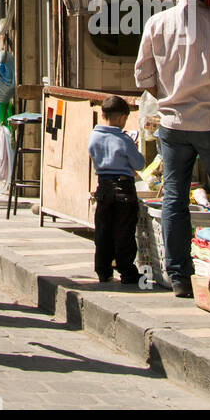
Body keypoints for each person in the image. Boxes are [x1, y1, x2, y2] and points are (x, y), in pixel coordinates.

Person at [135, 0, 210, 298]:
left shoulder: (157, 24)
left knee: (174, 198)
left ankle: (179, 276)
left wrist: (169, 100)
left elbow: (143, 76)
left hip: (173, 124)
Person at [88, 95, 145, 285]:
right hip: (124, 189)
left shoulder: (94, 136)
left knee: (103, 232)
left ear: (103, 115)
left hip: (103, 188)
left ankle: (103, 271)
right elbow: (139, 163)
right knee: (124, 232)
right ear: (122, 118)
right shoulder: (124, 139)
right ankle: (127, 272)